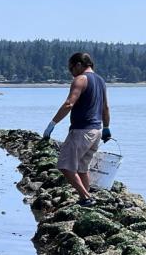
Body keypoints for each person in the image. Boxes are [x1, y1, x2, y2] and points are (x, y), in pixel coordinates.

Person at [44, 52, 111, 207]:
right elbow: (105, 107)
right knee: (81, 168)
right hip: (96, 131)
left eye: (71, 68)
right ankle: (85, 201)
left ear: (79, 64)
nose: (71, 72)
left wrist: (52, 123)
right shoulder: (101, 81)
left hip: (82, 130)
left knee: (65, 166)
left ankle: (86, 197)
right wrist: (106, 127)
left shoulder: (80, 79)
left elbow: (69, 104)